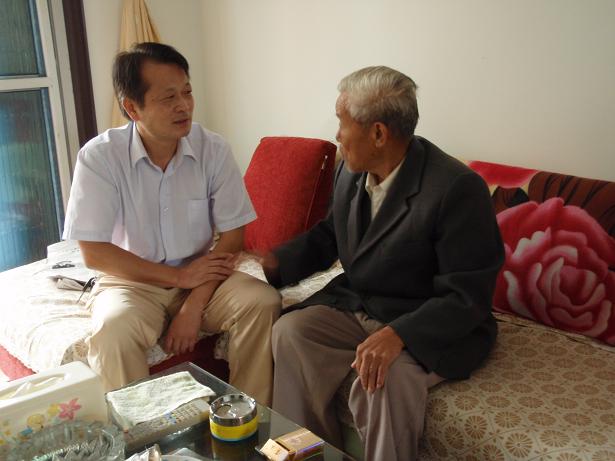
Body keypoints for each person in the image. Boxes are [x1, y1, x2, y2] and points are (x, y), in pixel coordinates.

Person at [262, 66, 504, 460]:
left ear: (378, 134)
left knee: (379, 379)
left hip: (429, 320)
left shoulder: (457, 188)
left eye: (342, 123)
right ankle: (310, 455)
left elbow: (468, 294)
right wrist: (272, 265)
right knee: (291, 333)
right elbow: (331, 234)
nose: (337, 135)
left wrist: (399, 334)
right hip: (363, 303)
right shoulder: (351, 169)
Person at [63, 42, 280, 405]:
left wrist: (193, 304)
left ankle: (246, 419)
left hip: (203, 275)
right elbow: (95, 253)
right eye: (168, 98)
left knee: (262, 302)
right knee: (113, 330)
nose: (184, 106)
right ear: (132, 108)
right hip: (132, 281)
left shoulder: (213, 149)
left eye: (187, 92)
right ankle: (139, 434)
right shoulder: (100, 157)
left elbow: (233, 236)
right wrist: (178, 278)